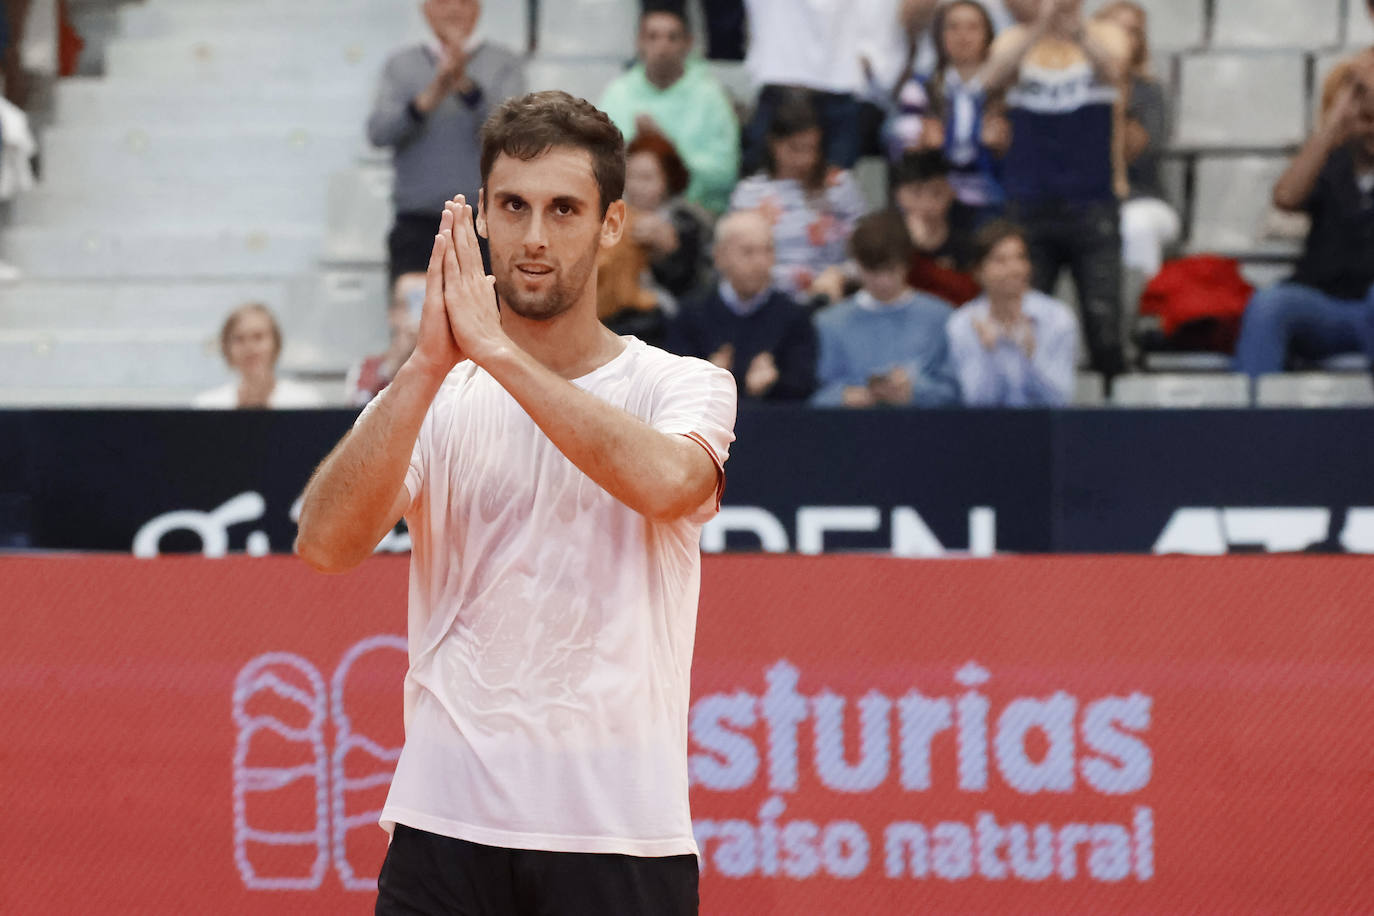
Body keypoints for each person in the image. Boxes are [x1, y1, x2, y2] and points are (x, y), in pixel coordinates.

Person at [295, 91, 735, 915]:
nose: (535, 237)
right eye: (513, 207)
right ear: (482, 221)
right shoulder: (435, 390)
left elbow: (671, 485)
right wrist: (426, 368)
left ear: (610, 226)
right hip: (445, 825)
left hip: (619, 835)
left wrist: (492, 349)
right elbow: (324, 543)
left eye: (564, 209)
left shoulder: (679, 381)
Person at [981, 0, 1130, 378]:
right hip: (1030, 197)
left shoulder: (1106, 34)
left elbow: (1115, 71)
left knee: (1104, 323)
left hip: (1091, 199)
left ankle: (1114, 405)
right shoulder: (1014, 39)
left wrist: (1076, 30)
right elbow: (990, 79)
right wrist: (1040, 25)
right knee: (1029, 316)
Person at [366, 0, 526, 283]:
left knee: (484, 321)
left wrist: (465, 86)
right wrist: (429, 96)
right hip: (416, 223)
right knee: (414, 322)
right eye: (442, 1)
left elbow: (515, 134)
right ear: (425, 8)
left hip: (487, 226)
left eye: (464, 2)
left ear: (478, 8)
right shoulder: (401, 65)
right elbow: (379, 133)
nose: (453, 10)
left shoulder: (504, 63)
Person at [1233, 78, 1374, 376]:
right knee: (1271, 304)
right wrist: (1332, 126)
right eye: (1366, 119)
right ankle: (1250, 419)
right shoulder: (1331, 163)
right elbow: (1285, 197)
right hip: (1325, 305)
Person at [598, 2, 740, 213]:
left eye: (672, 37)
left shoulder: (711, 97)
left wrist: (666, 147)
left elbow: (725, 175)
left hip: (695, 212)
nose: (662, 46)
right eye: (653, 37)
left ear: (688, 43)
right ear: (639, 42)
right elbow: (600, 165)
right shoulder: (617, 94)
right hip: (628, 211)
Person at [729, 91, 868, 304]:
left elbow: (869, 252)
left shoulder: (840, 186)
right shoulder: (748, 194)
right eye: (794, 149)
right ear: (774, 144)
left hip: (830, 296)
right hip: (765, 299)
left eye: (811, 149)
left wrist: (841, 275)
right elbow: (733, 257)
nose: (804, 159)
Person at [812, 210, 960, 407]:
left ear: (907, 262)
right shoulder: (828, 323)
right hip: (851, 432)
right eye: (872, 270)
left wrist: (914, 392)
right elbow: (812, 395)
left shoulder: (941, 317)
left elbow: (956, 393)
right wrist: (843, 397)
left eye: (891, 269)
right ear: (858, 265)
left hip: (922, 432)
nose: (883, 281)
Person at [666, 210, 818, 400]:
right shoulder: (691, 315)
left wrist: (774, 384)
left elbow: (804, 387)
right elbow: (674, 387)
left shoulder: (794, 317)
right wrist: (706, 381)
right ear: (719, 257)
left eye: (768, 250)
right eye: (748, 251)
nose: (760, 262)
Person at [887, 0, 1009, 225]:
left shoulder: (1003, 91)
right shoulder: (920, 87)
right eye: (953, 27)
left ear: (989, 34)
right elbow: (902, 146)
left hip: (991, 201)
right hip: (935, 202)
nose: (963, 36)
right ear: (939, 35)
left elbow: (1013, 149)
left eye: (973, 27)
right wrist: (924, 143)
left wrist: (1001, 145)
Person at [947, 220, 1077, 406]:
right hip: (985, 430)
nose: (1014, 269)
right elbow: (974, 401)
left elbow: (1061, 399)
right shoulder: (963, 323)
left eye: (1021, 258)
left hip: (1044, 430)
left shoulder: (1057, 318)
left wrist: (1031, 355)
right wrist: (990, 353)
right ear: (978, 271)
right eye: (1000, 260)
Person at [1094, 0, 1178, 281]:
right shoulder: (1076, 89)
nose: (1123, 39)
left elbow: (1139, 150)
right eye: (1115, 29)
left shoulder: (1149, 92)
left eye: (1133, 32)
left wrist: (1118, 92)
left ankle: (1136, 317)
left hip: (1142, 200)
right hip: (1087, 204)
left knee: (1135, 225)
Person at [893, 150, 983, 305]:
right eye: (916, 193)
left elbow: (972, 297)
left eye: (936, 193)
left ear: (951, 192)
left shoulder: (968, 244)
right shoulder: (886, 240)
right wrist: (910, 248)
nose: (927, 203)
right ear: (899, 195)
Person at [194, 303, 324, 409]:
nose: (249, 348)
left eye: (258, 337)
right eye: (239, 339)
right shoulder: (208, 406)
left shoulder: (306, 402)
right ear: (227, 349)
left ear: (276, 344)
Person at [345, 272, 426, 406]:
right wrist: (395, 365)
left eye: (424, 306)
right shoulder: (366, 368)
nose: (416, 316)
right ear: (392, 313)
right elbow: (357, 416)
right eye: (408, 305)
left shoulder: (458, 370)